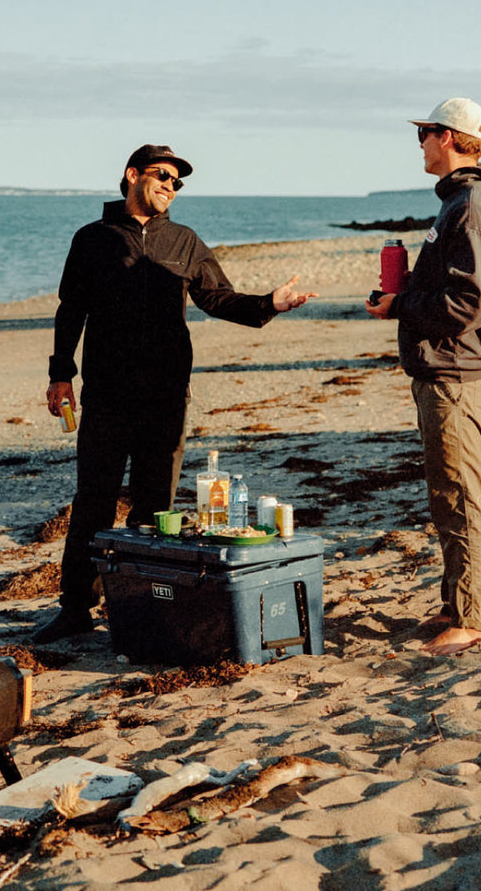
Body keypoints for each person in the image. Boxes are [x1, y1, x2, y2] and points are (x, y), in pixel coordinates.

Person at [35, 144, 316, 644]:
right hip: (106, 393)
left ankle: (140, 607)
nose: (171, 186)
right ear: (132, 175)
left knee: (154, 507)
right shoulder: (92, 239)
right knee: (93, 503)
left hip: (166, 395)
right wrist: (61, 375)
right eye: (163, 175)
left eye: (178, 182)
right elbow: (70, 309)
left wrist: (269, 305)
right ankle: (75, 607)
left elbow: (218, 298)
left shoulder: (185, 241)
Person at [366, 98, 481, 657]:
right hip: (458, 368)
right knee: (450, 491)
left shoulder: (472, 205)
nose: (421, 144)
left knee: (460, 494)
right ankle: (457, 601)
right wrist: (407, 293)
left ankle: (473, 617)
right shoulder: (465, 202)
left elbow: (468, 302)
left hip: (460, 371)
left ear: (452, 138)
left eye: (425, 134)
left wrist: (401, 306)